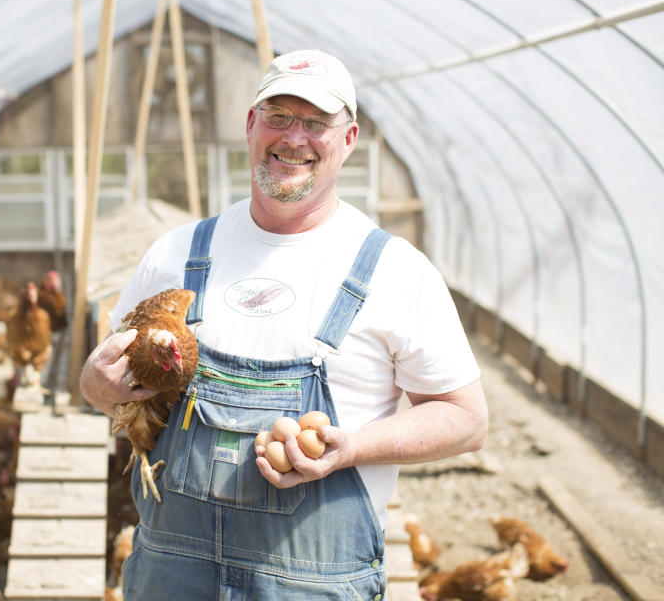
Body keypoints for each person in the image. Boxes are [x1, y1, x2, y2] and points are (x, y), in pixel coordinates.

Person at [81, 48, 488, 600]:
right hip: (171, 576)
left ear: (348, 140)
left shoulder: (396, 271)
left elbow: (464, 419)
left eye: (317, 122)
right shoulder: (175, 256)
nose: (294, 138)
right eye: (278, 116)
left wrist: (352, 448)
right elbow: (100, 389)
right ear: (251, 125)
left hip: (311, 583)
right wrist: (97, 383)